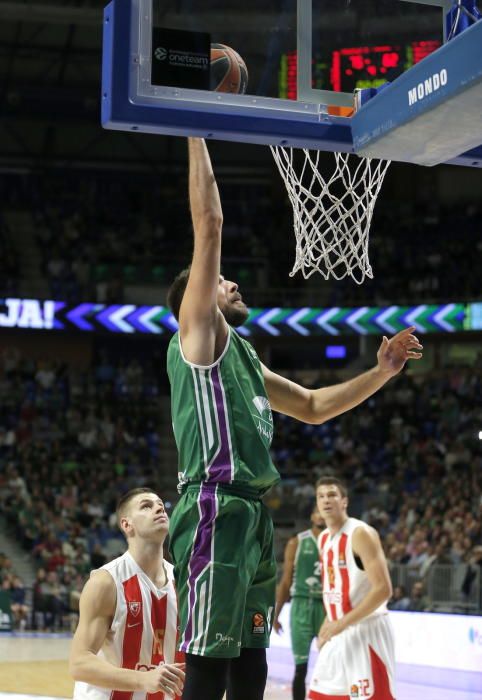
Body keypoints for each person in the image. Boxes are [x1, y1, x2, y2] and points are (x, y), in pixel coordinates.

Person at [166, 137, 422, 700]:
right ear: (197, 300)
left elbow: (311, 406)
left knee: (253, 653)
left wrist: (381, 371)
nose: (231, 282)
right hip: (215, 506)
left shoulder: (247, 358)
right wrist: (193, 127)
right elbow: (209, 223)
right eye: (219, 280)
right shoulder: (198, 339)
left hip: (253, 514)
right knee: (208, 656)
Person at [69, 488, 185, 700]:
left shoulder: (183, 582)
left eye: (160, 504)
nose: (159, 508)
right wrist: (144, 679)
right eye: (146, 506)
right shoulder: (105, 582)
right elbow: (79, 663)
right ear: (126, 524)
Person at [308, 476, 396, 700]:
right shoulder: (324, 539)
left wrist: (340, 623)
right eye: (321, 496)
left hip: (367, 631)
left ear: (344, 501)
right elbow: (335, 590)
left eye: (332, 495)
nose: (326, 500)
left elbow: (383, 589)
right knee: (318, 695)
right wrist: (327, 624)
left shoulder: (360, 534)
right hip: (339, 631)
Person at [273, 506, 325, 700]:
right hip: (301, 606)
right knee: (300, 668)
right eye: (317, 511)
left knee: (330, 666)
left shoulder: (337, 541)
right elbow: (286, 581)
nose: (321, 515)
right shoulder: (298, 542)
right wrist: (275, 615)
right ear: (312, 516)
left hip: (327, 607)